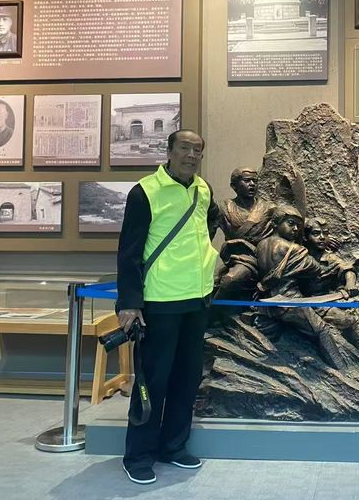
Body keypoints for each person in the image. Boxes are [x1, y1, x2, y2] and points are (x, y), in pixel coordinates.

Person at [116, 129, 220, 485]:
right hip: (160, 301)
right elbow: (129, 251)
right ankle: (138, 455)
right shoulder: (145, 192)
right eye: (184, 148)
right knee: (153, 381)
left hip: (197, 298)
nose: (191, 155)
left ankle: (173, 446)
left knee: (187, 379)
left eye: (197, 150)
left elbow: (208, 225)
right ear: (170, 151)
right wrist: (130, 302)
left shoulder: (203, 190)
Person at [255, 206, 346, 369]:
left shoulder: (261, 245)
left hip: (267, 303)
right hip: (289, 302)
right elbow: (316, 270)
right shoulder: (293, 249)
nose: (296, 229)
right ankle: (342, 370)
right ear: (275, 223)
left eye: (298, 225)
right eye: (291, 223)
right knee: (321, 330)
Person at [301, 217, 359, 354]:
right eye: (316, 234)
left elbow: (347, 269)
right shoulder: (297, 253)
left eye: (325, 233)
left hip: (320, 303)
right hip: (295, 300)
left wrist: (350, 284)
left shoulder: (330, 258)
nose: (322, 237)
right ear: (305, 236)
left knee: (348, 320)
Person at [214, 168, 275, 304]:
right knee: (228, 280)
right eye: (247, 180)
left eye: (255, 181)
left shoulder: (268, 208)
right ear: (234, 185)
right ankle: (214, 312)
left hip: (263, 259)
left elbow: (288, 222)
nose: (252, 184)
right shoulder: (224, 207)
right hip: (238, 258)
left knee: (231, 279)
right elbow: (207, 233)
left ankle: (213, 311)